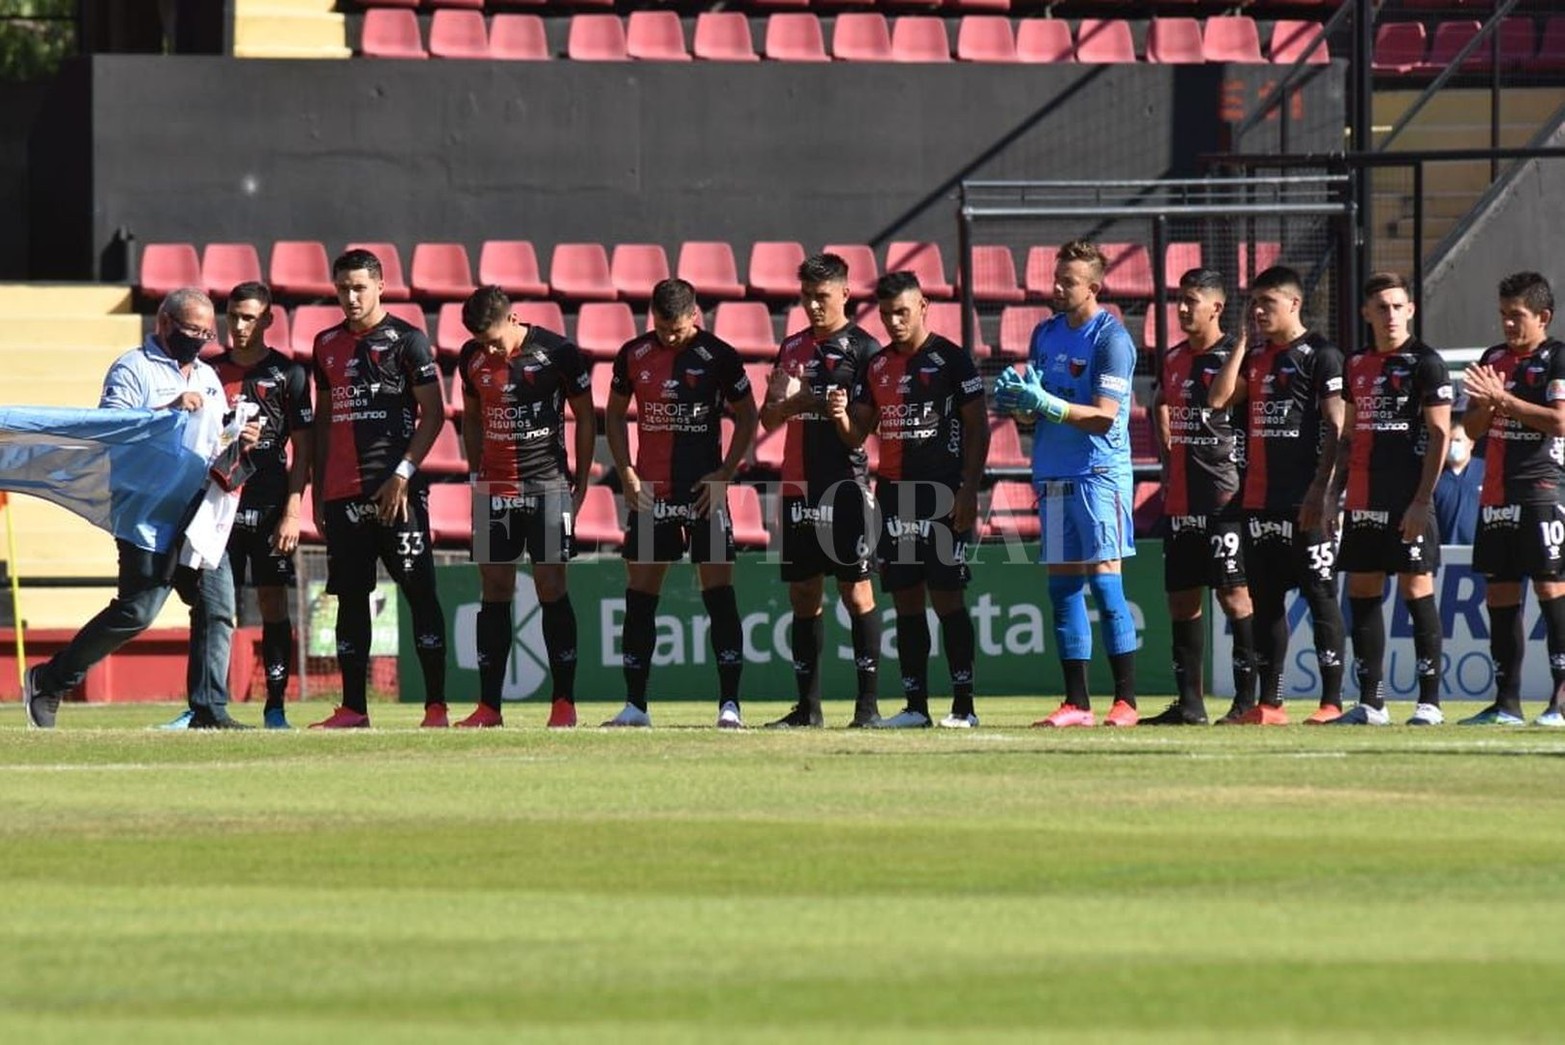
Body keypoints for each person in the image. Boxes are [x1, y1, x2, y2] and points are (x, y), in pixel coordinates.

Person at [21, 287, 259, 730]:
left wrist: (239, 437)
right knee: (138, 611)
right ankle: (50, 679)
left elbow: (213, 443)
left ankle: (209, 708)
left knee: (217, 604)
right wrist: (164, 409)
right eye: (192, 330)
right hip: (147, 513)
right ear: (164, 323)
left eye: (207, 332)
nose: (200, 340)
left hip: (198, 511)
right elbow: (111, 430)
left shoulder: (207, 376)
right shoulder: (133, 368)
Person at [829, 271, 988, 729]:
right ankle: (916, 706)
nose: (894, 322)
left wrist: (969, 490)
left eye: (901, 311)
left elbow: (977, 427)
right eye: (885, 314)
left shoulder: (953, 361)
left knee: (948, 599)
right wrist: (840, 417)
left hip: (943, 493)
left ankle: (964, 706)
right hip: (894, 495)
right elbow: (857, 432)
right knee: (906, 601)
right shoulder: (876, 367)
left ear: (923, 307)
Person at [994, 240, 1138, 728]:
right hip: (1053, 473)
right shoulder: (1046, 334)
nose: (1056, 288)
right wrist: (1018, 404)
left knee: (1105, 584)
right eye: (1056, 279)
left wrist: (1045, 403)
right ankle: (1076, 703)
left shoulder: (1110, 340)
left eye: (1068, 282)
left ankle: (1126, 701)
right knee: (1062, 589)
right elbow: (1036, 414)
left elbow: (1103, 418)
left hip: (1098, 474)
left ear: (1094, 287)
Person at [603, 278, 759, 728]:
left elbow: (747, 415)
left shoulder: (720, 356)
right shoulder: (633, 354)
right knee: (640, 596)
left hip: (704, 493)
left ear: (694, 315)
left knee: (719, 595)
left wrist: (726, 475)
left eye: (676, 328)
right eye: (661, 327)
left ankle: (730, 705)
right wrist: (628, 470)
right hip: (653, 492)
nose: (668, 335)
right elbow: (614, 413)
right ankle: (635, 706)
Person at [308, 248, 449, 729]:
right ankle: (354, 709)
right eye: (343, 288)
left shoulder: (408, 341)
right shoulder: (324, 344)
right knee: (350, 597)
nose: (350, 297)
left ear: (381, 285)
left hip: (398, 493)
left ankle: (435, 707)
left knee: (420, 593)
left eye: (359, 288)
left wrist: (404, 472)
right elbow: (324, 422)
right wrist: (320, 487)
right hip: (343, 492)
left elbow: (434, 413)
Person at [1208, 264, 1347, 725]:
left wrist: (1323, 492)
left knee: (1320, 594)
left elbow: (1336, 424)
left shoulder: (1322, 355)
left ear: (1294, 303)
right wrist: (1244, 342)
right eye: (1253, 303)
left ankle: (1331, 702)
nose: (1258, 310)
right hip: (1257, 501)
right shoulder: (1257, 356)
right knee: (1267, 602)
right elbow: (1217, 399)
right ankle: (1272, 702)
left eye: (1266, 303)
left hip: (1303, 501)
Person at [455, 285, 595, 729]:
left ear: (513, 318)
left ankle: (564, 703)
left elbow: (586, 418)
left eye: (494, 339)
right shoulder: (470, 358)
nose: (490, 348)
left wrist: (583, 481)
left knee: (551, 586)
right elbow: (472, 416)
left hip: (547, 486)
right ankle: (489, 707)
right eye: (482, 342)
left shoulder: (558, 352)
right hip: (494, 490)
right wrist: (476, 475)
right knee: (494, 591)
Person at [759, 253, 882, 729]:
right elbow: (768, 417)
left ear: (845, 295)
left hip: (846, 487)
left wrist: (835, 412)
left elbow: (866, 428)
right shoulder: (791, 347)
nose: (813, 305)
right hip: (797, 486)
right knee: (804, 595)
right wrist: (798, 403)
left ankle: (867, 709)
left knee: (857, 593)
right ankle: (807, 710)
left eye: (822, 297)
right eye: (806, 297)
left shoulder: (866, 350)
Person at [1330, 273, 1453, 726]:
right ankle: (1371, 702)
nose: (1391, 315)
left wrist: (1422, 500)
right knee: (1362, 590)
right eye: (1381, 307)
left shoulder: (1427, 363)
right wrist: (1331, 496)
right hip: (1362, 498)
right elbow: (1348, 436)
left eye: (1398, 306)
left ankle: (1430, 702)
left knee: (1416, 587)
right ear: (1366, 313)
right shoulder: (1356, 363)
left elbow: (1440, 433)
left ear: (1411, 310)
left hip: (1407, 499)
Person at [1144, 268, 1255, 725]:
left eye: (1192, 300)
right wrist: (1169, 460)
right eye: (1179, 300)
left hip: (1225, 497)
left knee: (1234, 596)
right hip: (1181, 501)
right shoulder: (1171, 358)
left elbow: (1224, 401)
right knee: (1182, 599)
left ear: (1217, 307)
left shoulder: (1238, 357)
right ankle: (1190, 704)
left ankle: (1247, 701)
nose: (1183, 308)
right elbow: (1160, 404)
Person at [1460, 270, 1565, 727]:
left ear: (1543, 316)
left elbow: (1560, 422)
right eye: (1502, 315)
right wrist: (1485, 404)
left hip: (1542, 489)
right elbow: (1471, 430)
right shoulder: (1493, 358)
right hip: (1496, 491)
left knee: (1550, 587)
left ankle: (1561, 702)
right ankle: (1506, 703)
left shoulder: (1557, 358)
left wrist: (1504, 399)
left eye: (1516, 316)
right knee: (1499, 593)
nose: (1506, 325)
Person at [210, 281, 313, 730]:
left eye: (249, 317)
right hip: (218, 505)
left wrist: (293, 510)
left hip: (270, 503)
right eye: (233, 316)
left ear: (269, 319)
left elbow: (304, 450)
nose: (239, 325)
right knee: (213, 605)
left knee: (273, 602)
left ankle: (275, 706)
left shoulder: (289, 374)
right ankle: (206, 702)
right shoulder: (208, 372)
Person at [1433, 422, 1483, 545]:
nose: (1452, 445)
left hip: (1477, 549)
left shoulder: (1485, 471)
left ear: (1471, 444)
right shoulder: (1434, 475)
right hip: (1441, 550)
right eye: (1449, 441)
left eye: (1458, 440)